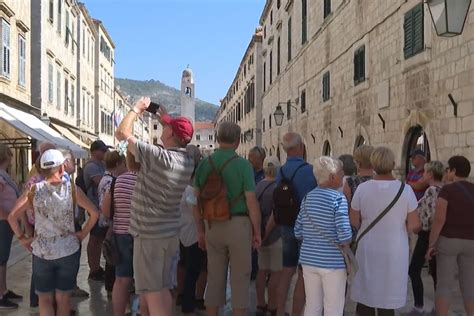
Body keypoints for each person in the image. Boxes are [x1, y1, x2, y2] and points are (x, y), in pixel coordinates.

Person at [115, 97, 195, 316]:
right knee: (163, 289)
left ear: (169, 134)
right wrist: (161, 113)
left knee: (152, 291)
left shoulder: (158, 157)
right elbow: (134, 164)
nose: (163, 127)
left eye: (166, 126)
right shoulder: (186, 161)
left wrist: (136, 109)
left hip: (149, 236)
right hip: (169, 235)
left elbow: (121, 133)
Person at [8, 149, 99, 316]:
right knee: (64, 300)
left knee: (45, 300)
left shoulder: (34, 190)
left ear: (41, 170)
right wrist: (82, 234)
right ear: (62, 169)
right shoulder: (72, 190)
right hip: (68, 250)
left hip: (42, 252)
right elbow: (94, 213)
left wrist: (22, 238)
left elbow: (12, 216)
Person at [193, 122, 262, 316]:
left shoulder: (205, 163)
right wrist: (257, 232)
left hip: (212, 224)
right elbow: (251, 201)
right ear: (238, 141)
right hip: (239, 225)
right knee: (240, 277)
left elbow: (193, 199)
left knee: (214, 277)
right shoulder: (244, 165)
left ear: (217, 139)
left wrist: (200, 230)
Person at [350, 146, 420, 316]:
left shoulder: (362, 189)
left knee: (366, 293)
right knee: (387, 297)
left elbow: (353, 221)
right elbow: (413, 226)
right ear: (393, 164)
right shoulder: (406, 190)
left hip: (368, 247)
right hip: (394, 248)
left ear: (373, 164)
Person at [295, 156, 352, 316]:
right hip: (332, 262)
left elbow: (298, 231)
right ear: (332, 177)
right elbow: (344, 235)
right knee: (333, 309)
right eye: (341, 173)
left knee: (312, 306)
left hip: (308, 260)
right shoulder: (338, 199)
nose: (343, 177)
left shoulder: (307, 198)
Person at [427, 155, 474, 316]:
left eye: (448, 169)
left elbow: (439, 219)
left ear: (453, 171)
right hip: (471, 241)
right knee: (469, 284)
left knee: (444, 285)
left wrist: (431, 244)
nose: (446, 173)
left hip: (449, 240)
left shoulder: (447, 190)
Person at [276, 132, 317, 316]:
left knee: (286, 271)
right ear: (301, 147)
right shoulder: (309, 171)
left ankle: (278, 311)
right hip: (305, 229)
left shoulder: (281, 171)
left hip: (286, 226)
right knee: (302, 275)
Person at [102, 157, 137, 316]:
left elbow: (107, 212)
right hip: (142, 235)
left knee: (122, 279)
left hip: (120, 234)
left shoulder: (116, 182)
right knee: (145, 281)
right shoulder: (146, 179)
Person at [408, 161, 444, 315]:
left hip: (426, 235)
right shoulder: (443, 190)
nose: (422, 175)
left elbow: (428, 216)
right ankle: (438, 307)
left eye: (425, 172)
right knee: (436, 273)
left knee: (414, 269)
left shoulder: (431, 191)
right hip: (440, 235)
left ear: (430, 174)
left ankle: (419, 306)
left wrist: (415, 224)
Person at [178, 145, 206, 316]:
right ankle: (188, 304)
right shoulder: (190, 189)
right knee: (192, 269)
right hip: (192, 232)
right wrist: (201, 230)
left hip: (179, 230)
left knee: (182, 266)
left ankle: (182, 297)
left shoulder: (176, 186)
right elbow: (194, 208)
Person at [255, 156, 282, 316]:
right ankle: (272, 306)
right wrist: (267, 232)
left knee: (262, 270)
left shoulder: (258, 186)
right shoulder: (277, 188)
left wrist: (259, 233)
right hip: (274, 234)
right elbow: (275, 214)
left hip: (259, 233)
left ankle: (260, 304)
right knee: (276, 272)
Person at [84, 140, 111, 281]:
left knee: (99, 239)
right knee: (95, 239)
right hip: (95, 208)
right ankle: (93, 268)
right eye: (103, 150)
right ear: (95, 151)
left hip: (99, 208)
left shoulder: (100, 165)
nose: (105, 153)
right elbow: (102, 183)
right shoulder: (92, 167)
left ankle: (96, 268)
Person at [0, 144, 22, 310]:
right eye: (10, 153)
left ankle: (4, 290)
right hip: (2, 222)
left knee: (4, 258)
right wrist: (8, 216)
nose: (12, 157)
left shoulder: (5, 175)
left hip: (7, 222)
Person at [248, 146, 266, 280]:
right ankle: (253, 271)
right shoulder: (248, 173)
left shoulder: (265, 176)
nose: (249, 160)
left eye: (252, 158)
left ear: (260, 159)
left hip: (262, 215)